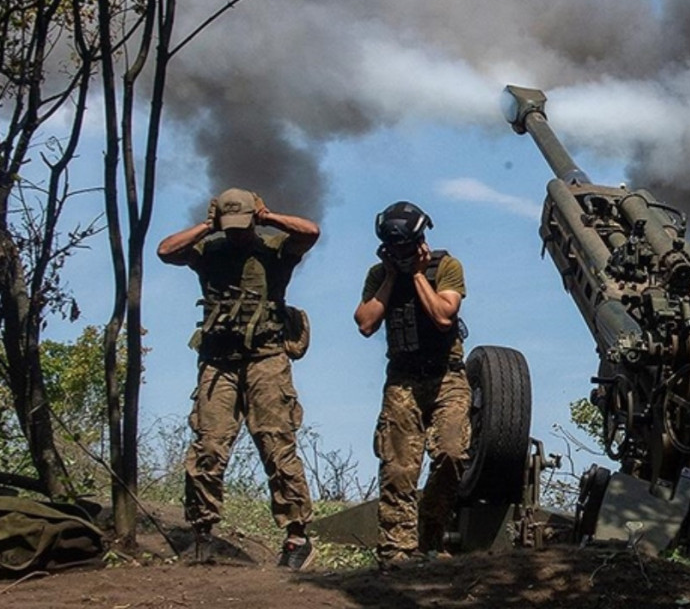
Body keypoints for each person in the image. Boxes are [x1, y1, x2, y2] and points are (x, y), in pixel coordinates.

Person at [157, 187, 319, 570]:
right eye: (229, 226)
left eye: (242, 225)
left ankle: (297, 537)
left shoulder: (275, 249)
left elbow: (310, 232)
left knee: (277, 446)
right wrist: (206, 226)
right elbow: (165, 251)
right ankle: (202, 535)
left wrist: (269, 217)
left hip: (266, 359)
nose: (236, 233)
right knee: (208, 448)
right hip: (218, 361)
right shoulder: (208, 251)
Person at [354, 201, 470, 568]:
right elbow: (365, 323)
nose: (402, 253)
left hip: (446, 376)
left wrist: (418, 275)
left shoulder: (446, 267)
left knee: (452, 453)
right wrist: (391, 277)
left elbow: (441, 315)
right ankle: (396, 551)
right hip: (403, 379)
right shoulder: (378, 275)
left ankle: (430, 534)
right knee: (399, 467)